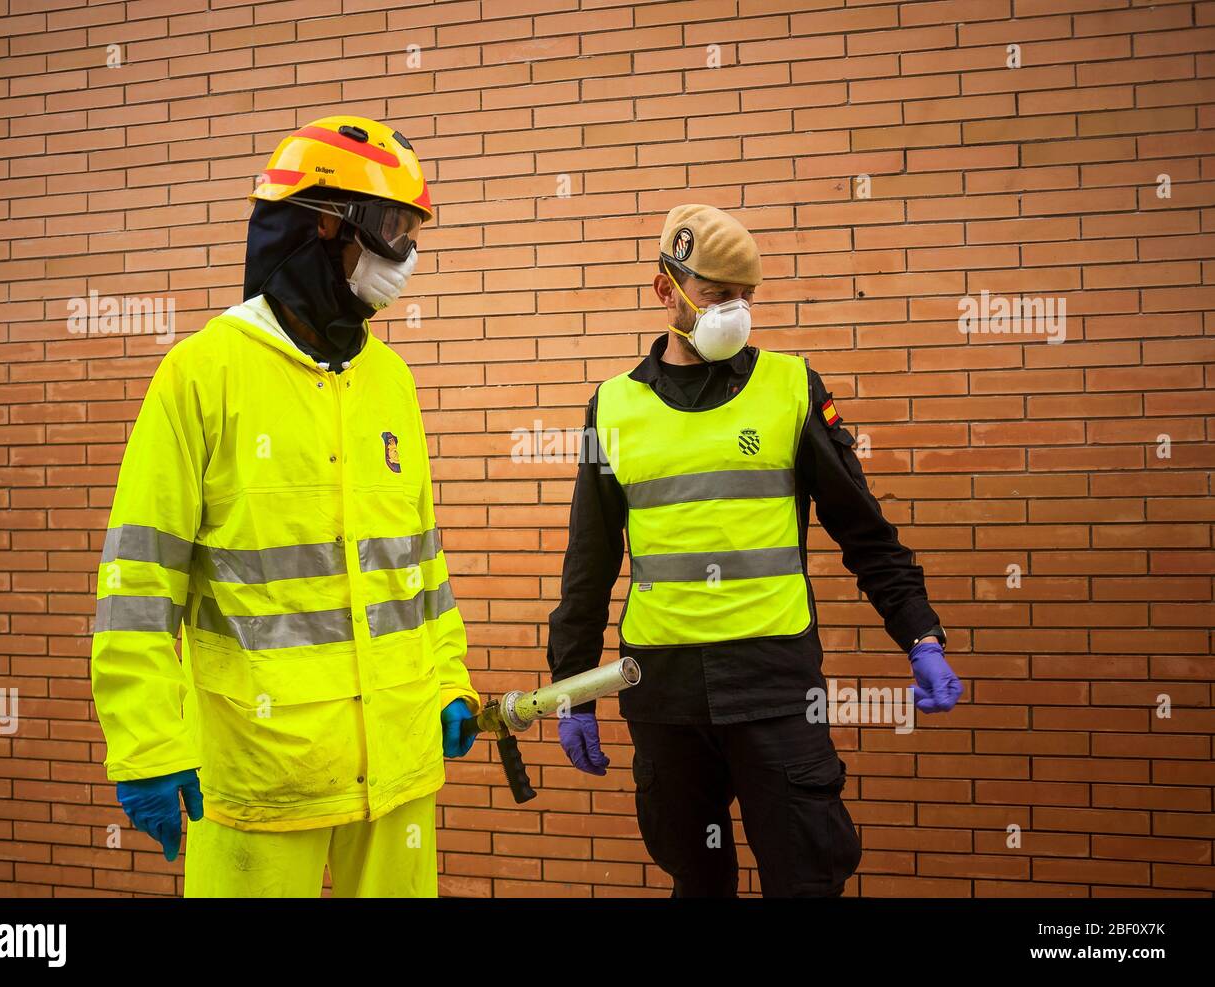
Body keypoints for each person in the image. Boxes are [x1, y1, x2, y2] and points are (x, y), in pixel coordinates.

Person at [90, 115, 480, 897]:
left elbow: (420, 565)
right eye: (396, 228)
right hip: (261, 776)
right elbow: (139, 583)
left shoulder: (390, 381)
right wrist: (149, 744)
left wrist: (447, 680)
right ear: (326, 225)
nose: (406, 254)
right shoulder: (201, 375)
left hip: (398, 766)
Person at [547, 203, 963, 897]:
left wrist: (919, 632)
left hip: (774, 688)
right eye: (716, 295)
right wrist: (572, 688)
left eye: (747, 296)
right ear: (665, 290)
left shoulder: (791, 388)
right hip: (663, 692)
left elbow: (864, 530)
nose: (735, 311)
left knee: (805, 877)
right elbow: (588, 563)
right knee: (697, 878)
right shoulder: (613, 406)